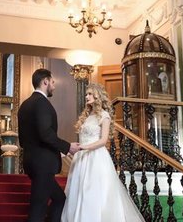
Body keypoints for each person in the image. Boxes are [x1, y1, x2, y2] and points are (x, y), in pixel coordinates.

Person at [61, 83, 144, 222]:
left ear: (97, 95)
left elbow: (103, 140)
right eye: (86, 94)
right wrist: (69, 151)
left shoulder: (104, 115)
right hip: (81, 160)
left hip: (95, 158)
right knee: (79, 193)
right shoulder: (87, 116)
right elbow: (82, 140)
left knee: (92, 193)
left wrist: (83, 148)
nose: (86, 96)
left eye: (89, 94)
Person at [18, 68, 81, 222]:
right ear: (45, 81)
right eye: (52, 82)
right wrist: (68, 147)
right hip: (43, 164)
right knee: (37, 211)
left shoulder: (25, 104)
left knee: (59, 199)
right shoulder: (42, 103)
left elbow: (23, 139)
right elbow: (45, 133)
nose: (54, 85)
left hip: (31, 160)